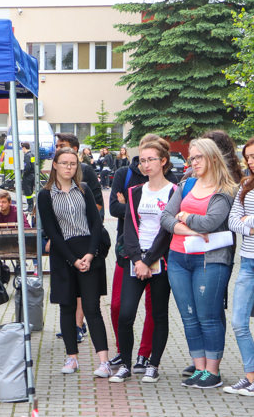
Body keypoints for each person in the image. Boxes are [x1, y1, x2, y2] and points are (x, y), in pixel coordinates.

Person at [161, 138, 237, 389]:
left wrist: (187, 218)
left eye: (198, 157)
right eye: (191, 158)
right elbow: (165, 218)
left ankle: (212, 372)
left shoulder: (225, 190)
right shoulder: (186, 184)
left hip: (211, 260)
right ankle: (200, 368)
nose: (194, 162)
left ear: (213, 157)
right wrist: (191, 232)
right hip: (178, 258)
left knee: (208, 315)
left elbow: (210, 223)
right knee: (189, 316)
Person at [37, 148, 112, 376]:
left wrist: (90, 255)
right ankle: (72, 358)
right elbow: (52, 231)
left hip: (89, 251)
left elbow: (96, 223)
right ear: (55, 166)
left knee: (92, 308)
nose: (69, 167)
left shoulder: (84, 189)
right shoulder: (45, 195)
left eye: (73, 164)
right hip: (64, 255)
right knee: (67, 307)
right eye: (65, 163)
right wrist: (72, 260)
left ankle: (104, 361)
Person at [107, 134, 177, 373]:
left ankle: (152, 364)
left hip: (161, 261)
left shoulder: (174, 191)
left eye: (151, 159)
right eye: (143, 160)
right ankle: (125, 364)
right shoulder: (136, 191)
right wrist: (138, 260)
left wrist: (149, 260)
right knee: (125, 313)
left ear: (163, 161)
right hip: (135, 260)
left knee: (158, 314)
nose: (145, 164)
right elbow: (130, 226)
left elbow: (167, 231)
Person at [226, 138, 254, 395]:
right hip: (247, 263)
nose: (252, 161)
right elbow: (232, 221)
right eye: (249, 157)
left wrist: (249, 219)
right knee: (239, 321)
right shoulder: (245, 186)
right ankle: (250, 375)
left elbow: (243, 220)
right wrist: (248, 224)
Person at [55, 133, 103, 217]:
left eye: (62, 146)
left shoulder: (86, 170)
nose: (58, 149)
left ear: (74, 149)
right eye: (57, 146)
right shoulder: (55, 171)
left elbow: (98, 203)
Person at [21, 142, 36, 212]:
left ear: (24, 148)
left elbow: (27, 166)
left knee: (28, 192)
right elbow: (33, 165)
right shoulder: (32, 154)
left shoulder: (27, 155)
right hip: (33, 175)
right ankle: (32, 206)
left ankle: (30, 206)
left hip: (27, 176)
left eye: (22, 148)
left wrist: (24, 173)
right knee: (31, 191)